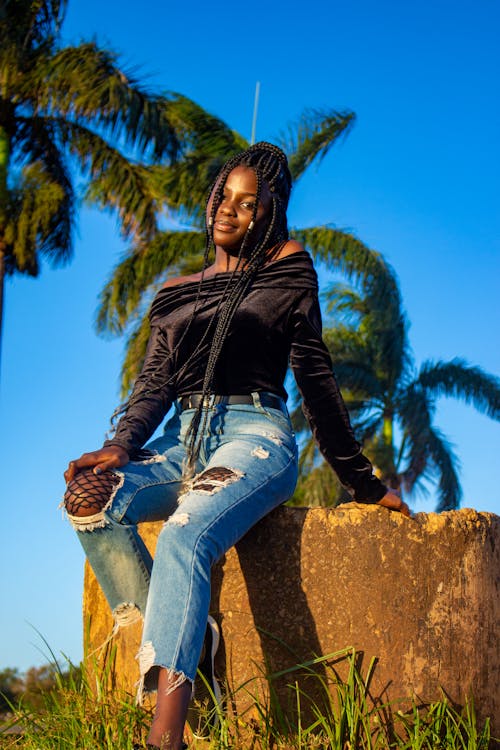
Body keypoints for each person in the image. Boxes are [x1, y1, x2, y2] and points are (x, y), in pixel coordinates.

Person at [63, 142, 410, 750]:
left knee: (185, 532)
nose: (229, 209)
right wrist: (120, 447)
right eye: (223, 195)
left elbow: (315, 377)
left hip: (254, 436)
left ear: (269, 213)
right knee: (91, 499)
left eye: (248, 203)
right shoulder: (174, 292)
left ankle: (166, 734)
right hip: (179, 442)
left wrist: (363, 482)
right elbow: (154, 385)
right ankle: (194, 644)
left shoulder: (288, 268)